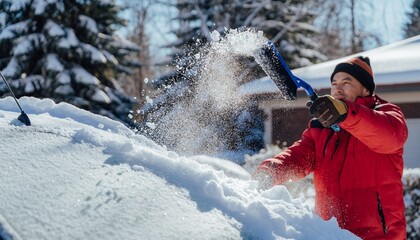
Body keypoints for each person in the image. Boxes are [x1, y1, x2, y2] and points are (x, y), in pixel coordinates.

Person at [254, 56, 408, 239]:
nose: (338, 87)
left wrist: (345, 114)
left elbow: (389, 137)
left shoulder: (386, 114)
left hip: (377, 236)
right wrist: (271, 171)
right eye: (334, 83)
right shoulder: (321, 127)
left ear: (366, 89)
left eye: (346, 82)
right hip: (330, 234)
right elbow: (298, 156)